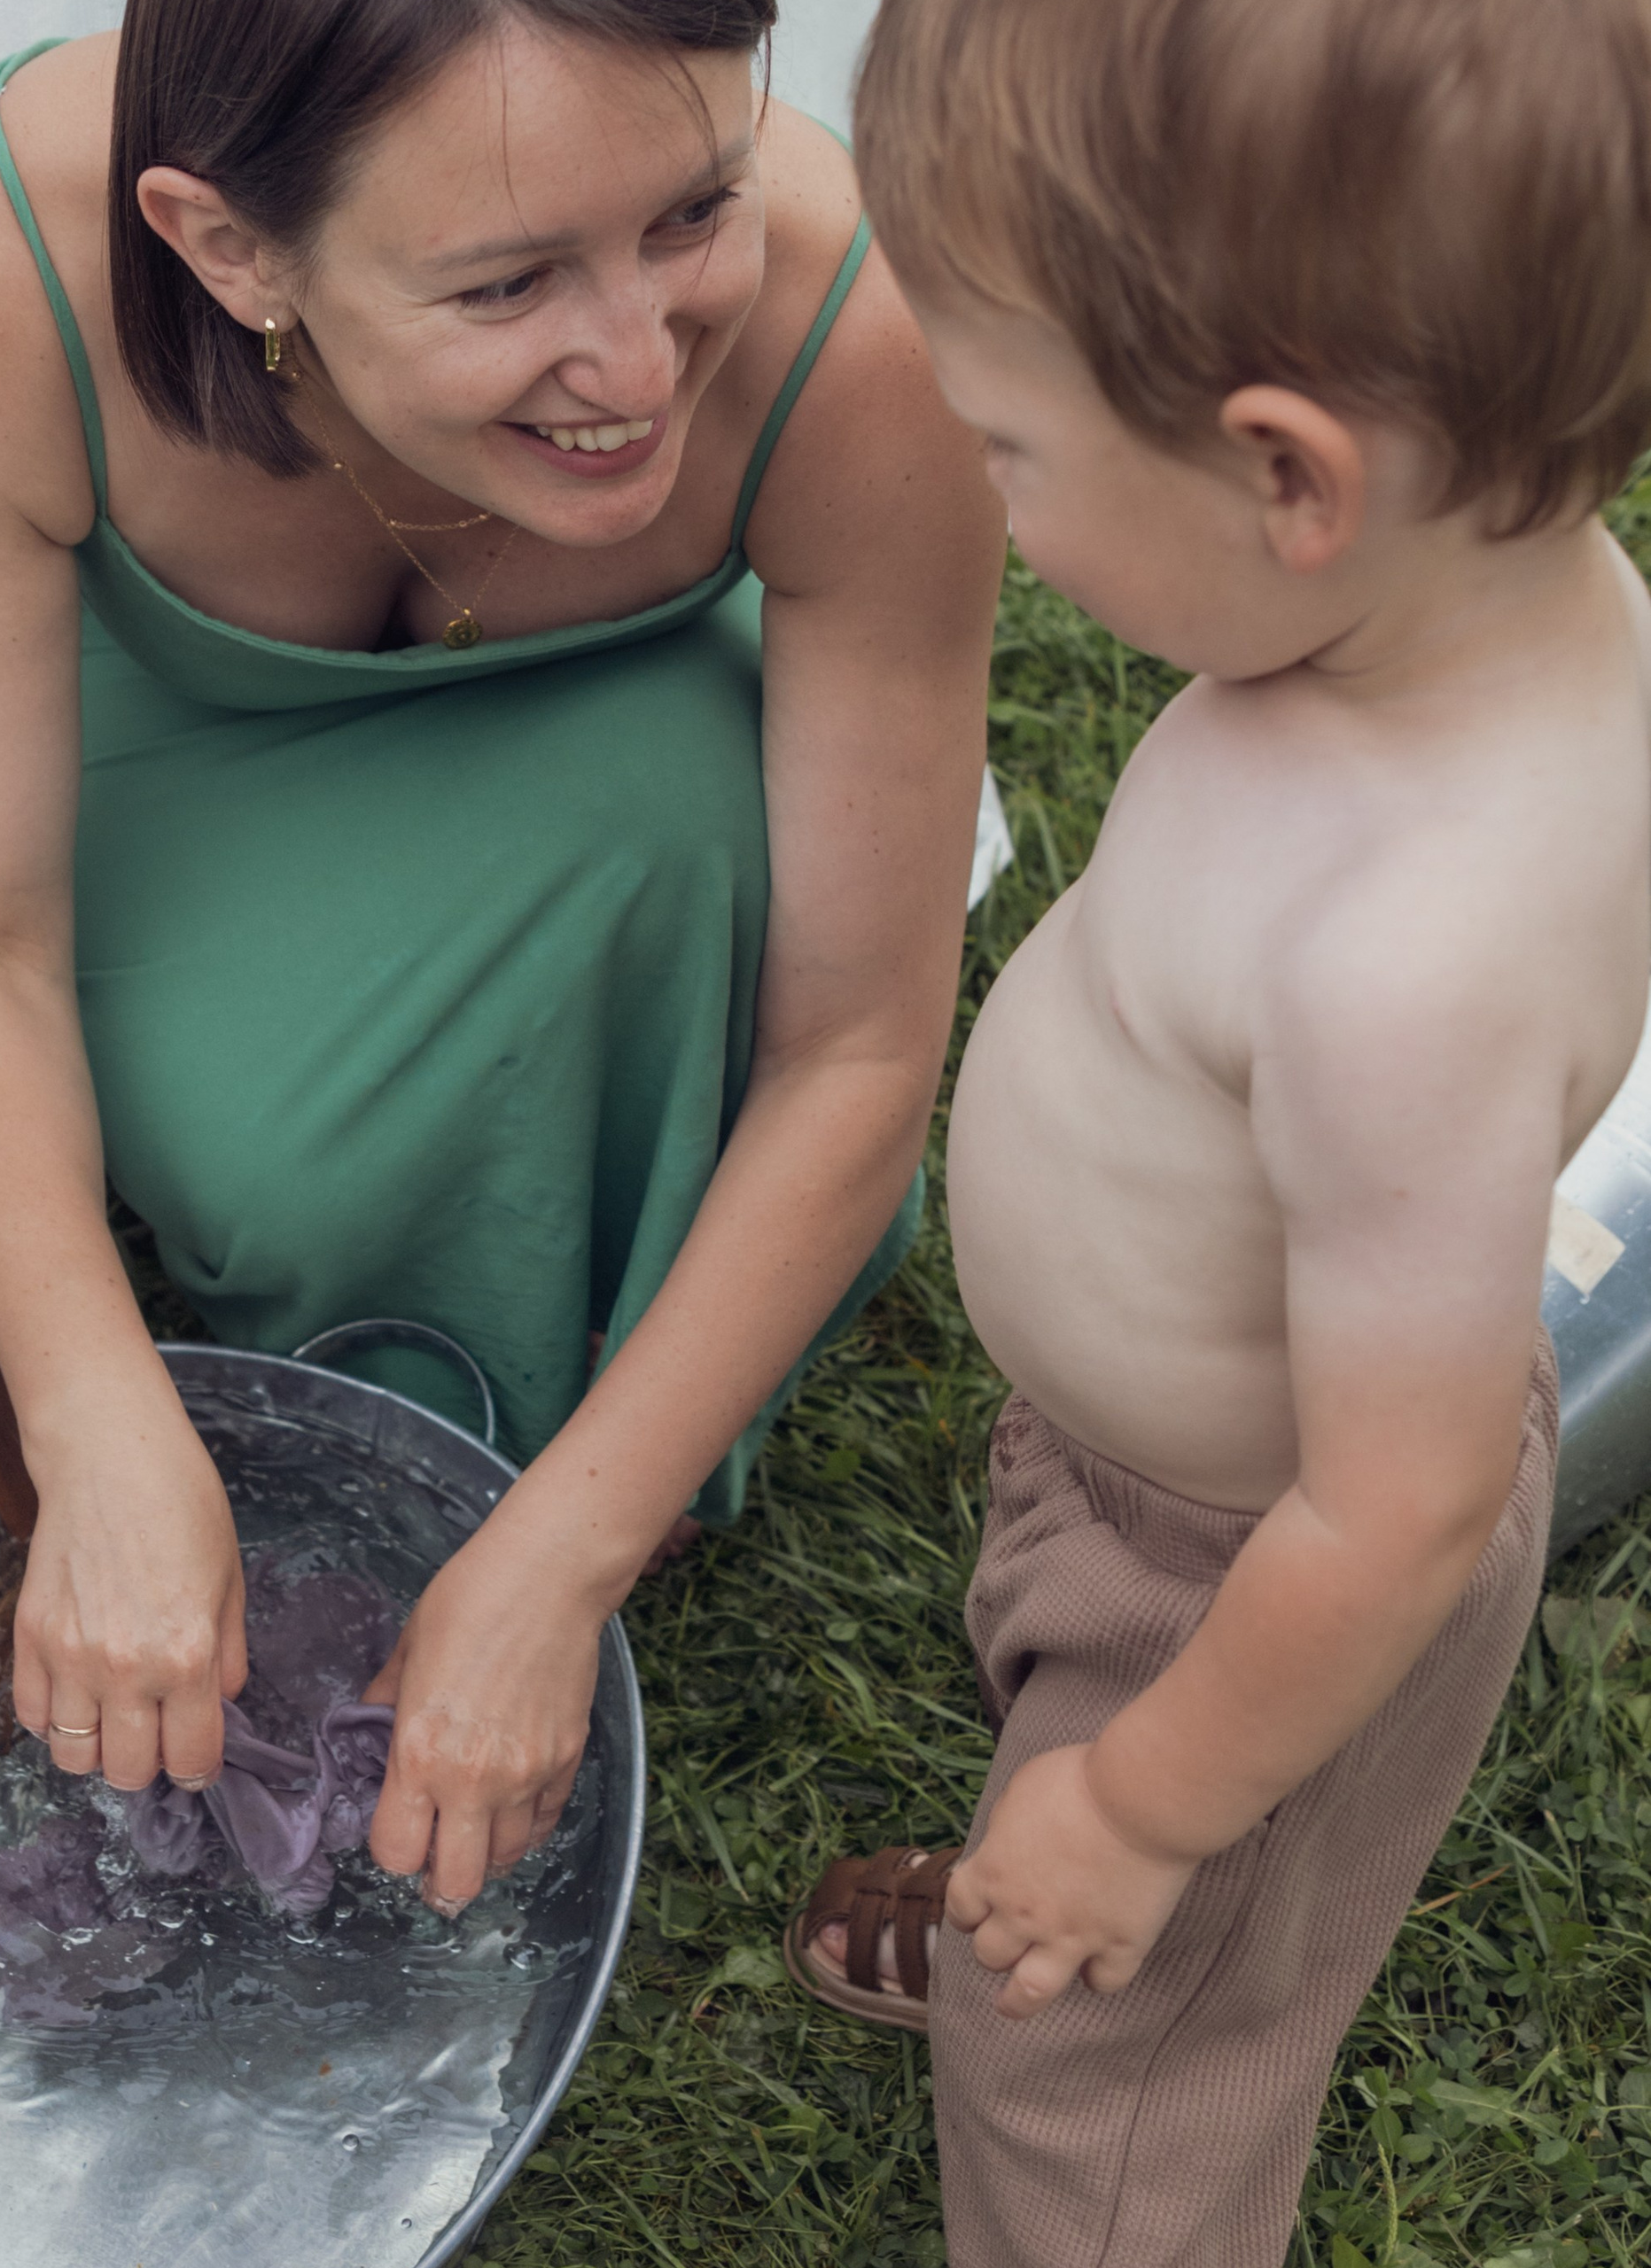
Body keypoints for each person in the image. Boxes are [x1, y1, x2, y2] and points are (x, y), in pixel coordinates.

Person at [0, 1, 1001, 1918]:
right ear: (229, 249)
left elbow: (859, 1046)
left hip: (624, 734)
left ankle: (584, 1429)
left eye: (694, 210)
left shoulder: (853, 332)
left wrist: (562, 1559)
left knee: (693, 846)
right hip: (176, 738)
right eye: (505, 282)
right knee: (287, 1146)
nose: (639, 363)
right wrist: (96, 1422)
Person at [783, 0, 1651, 2258]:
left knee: (1105, 2076)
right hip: (1144, 1472)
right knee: (1060, 1781)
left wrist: (1147, 1809)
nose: (979, 489)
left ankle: (1076, 1940)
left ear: (1287, 481)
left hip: (1247, 1574)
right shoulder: (1452, 611)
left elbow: (1391, 1504)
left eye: (1006, 442)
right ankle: (1046, 1834)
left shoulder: (1407, 963)